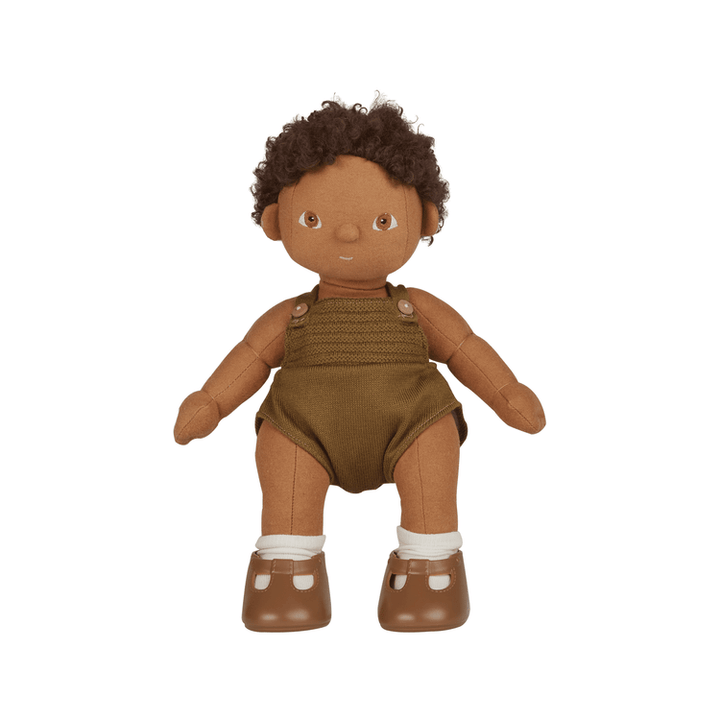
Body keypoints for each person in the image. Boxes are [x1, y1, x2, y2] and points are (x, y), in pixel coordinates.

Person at [174, 100, 545, 632]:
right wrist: (211, 401)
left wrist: (507, 392)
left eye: (381, 221)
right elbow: (250, 358)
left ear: (425, 219)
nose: (348, 235)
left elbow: (465, 348)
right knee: (284, 463)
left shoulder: (416, 307)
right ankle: (288, 574)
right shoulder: (291, 316)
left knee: (432, 450)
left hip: (411, 420)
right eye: (313, 219)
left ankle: (429, 570)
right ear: (276, 222)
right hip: (304, 428)